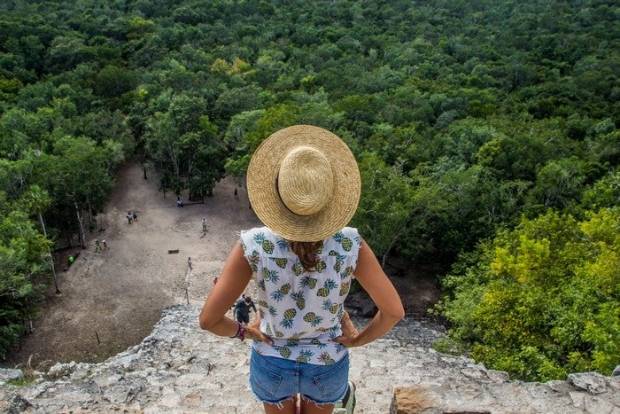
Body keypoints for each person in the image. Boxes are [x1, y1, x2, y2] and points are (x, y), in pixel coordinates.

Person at [199, 125, 404, 414]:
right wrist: (357, 340)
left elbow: (209, 320)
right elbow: (394, 311)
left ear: (276, 192)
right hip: (327, 362)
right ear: (330, 196)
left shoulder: (254, 244)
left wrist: (245, 332)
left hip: (272, 360)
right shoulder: (350, 243)